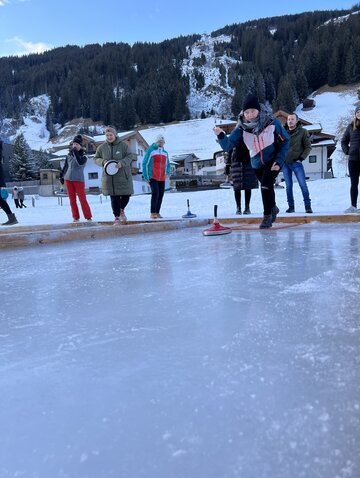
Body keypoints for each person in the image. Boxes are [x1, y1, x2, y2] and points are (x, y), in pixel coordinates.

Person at [214, 93, 289, 228]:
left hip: (273, 160)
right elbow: (228, 146)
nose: (250, 115)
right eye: (247, 112)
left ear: (258, 110)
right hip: (256, 164)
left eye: (252, 111)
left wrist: (279, 160)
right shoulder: (241, 128)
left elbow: (286, 141)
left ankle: (267, 216)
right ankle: (273, 208)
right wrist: (220, 135)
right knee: (267, 187)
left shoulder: (272, 122)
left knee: (266, 184)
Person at [94, 126, 134, 224]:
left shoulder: (123, 146)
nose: (109, 137)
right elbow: (95, 158)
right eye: (107, 135)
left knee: (126, 195)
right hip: (109, 178)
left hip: (123, 176)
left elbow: (130, 156)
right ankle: (116, 217)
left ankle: (121, 209)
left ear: (115, 135)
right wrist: (102, 161)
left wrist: (122, 163)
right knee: (114, 198)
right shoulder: (102, 147)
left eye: (111, 135)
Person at [282, 113, 313, 213]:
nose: (290, 121)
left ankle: (307, 206)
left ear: (297, 121)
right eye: (288, 119)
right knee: (288, 186)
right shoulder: (283, 132)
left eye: (292, 119)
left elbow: (308, 147)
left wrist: (301, 158)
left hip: (297, 163)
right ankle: (291, 207)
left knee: (303, 185)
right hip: (285, 163)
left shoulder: (303, 132)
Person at [60, 135, 93, 222]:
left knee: (82, 199)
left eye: (77, 144)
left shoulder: (84, 157)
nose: (75, 146)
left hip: (78, 180)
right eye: (74, 144)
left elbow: (79, 163)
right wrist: (62, 176)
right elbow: (66, 167)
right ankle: (75, 217)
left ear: (81, 146)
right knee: (72, 200)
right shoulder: (69, 156)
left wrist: (75, 153)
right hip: (68, 180)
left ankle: (88, 217)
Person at [225, 140, 258, 215]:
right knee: (237, 187)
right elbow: (230, 150)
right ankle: (238, 207)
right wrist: (228, 164)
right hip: (236, 162)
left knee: (248, 186)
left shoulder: (248, 135)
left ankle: (247, 207)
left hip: (247, 162)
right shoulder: (235, 137)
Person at [142, 134, 171, 219]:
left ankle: (157, 212)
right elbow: (145, 164)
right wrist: (146, 176)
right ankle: (152, 212)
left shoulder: (165, 153)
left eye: (162, 142)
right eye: (159, 141)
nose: (161, 143)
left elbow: (168, 164)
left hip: (162, 176)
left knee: (161, 194)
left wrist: (167, 173)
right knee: (155, 193)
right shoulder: (151, 150)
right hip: (153, 176)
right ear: (156, 142)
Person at [341, 105, 360, 213]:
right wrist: (347, 151)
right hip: (353, 160)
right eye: (357, 112)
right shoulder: (350, 126)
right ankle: (353, 206)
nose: (359, 114)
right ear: (355, 114)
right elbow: (343, 141)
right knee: (354, 183)